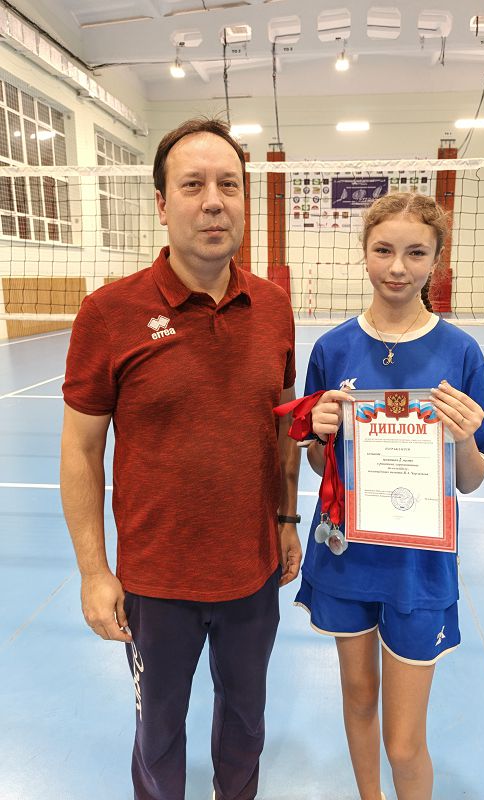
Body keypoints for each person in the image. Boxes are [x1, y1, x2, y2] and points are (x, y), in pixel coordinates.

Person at [60, 117, 302, 800]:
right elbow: (81, 450)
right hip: (155, 583)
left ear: (246, 200)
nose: (214, 202)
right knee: (158, 733)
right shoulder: (108, 313)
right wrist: (93, 572)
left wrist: (286, 519)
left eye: (229, 185)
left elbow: (283, 425)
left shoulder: (274, 307)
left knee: (246, 726)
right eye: (193, 186)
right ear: (163, 205)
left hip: (251, 573)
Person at [294, 192, 484, 800]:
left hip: (418, 564)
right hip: (346, 553)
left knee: (405, 743)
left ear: (436, 260)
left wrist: (464, 439)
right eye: (383, 250)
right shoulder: (332, 349)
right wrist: (319, 435)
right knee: (358, 700)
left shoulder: (461, 352)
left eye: (415, 253)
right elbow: (319, 464)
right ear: (364, 252)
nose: (397, 267)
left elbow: (470, 478)